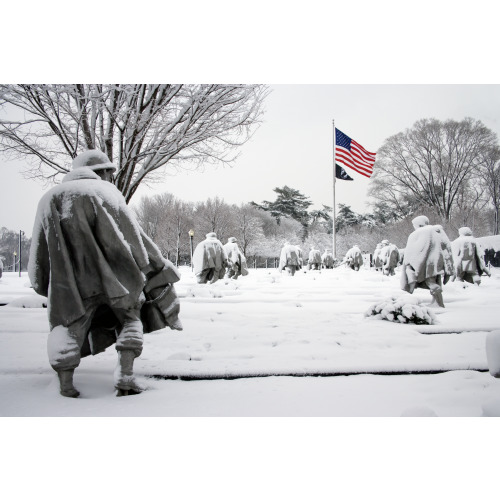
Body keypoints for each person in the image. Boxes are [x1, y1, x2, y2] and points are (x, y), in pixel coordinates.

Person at [28, 150, 182, 398]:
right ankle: (126, 375)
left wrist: (44, 282)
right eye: (109, 172)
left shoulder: (48, 199)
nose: (111, 177)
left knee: (68, 328)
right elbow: (134, 238)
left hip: (71, 284)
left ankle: (65, 384)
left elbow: (39, 251)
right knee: (130, 320)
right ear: (101, 172)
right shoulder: (107, 194)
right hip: (119, 280)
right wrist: (155, 264)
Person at [400, 215, 454, 308]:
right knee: (435, 281)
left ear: (419, 224)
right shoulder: (437, 232)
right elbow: (447, 248)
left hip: (427, 264)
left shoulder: (419, 233)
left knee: (431, 282)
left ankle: (439, 303)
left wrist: (411, 267)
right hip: (437, 263)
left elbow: (415, 252)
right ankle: (436, 301)